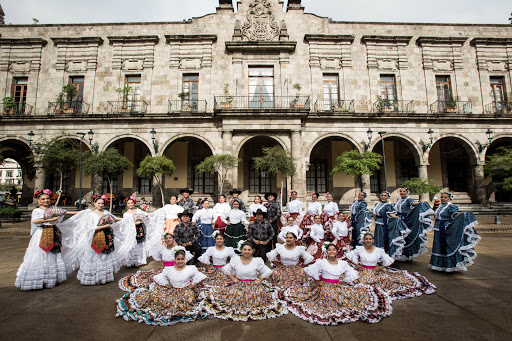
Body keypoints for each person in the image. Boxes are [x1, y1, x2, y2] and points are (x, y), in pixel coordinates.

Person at [279, 243, 392, 325]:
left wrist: (344, 281)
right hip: (324, 286)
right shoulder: (321, 262)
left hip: (337, 286)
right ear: (326, 252)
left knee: (351, 297)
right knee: (328, 294)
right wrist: (318, 282)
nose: (332, 252)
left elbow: (351, 274)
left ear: (337, 252)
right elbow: (310, 271)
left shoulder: (342, 263)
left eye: (334, 250)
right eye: (329, 250)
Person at [116, 249, 208, 326]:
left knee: (185, 302)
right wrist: (166, 284)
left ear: (185, 259)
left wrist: (192, 285)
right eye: (178, 259)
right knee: (161, 300)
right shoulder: (169, 269)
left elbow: (200, 276)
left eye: (182, 259)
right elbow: (159, 277)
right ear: (175, 260)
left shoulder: (190, 268)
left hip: (185, 291)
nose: (180, 261)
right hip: (172, 290)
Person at [202, 241, 287, 321]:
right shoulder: (236, 260)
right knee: (234, 294)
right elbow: (226, 269)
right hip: (239, 284)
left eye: (249, 250)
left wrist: (259, 280)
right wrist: (233, 278)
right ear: (241, 250)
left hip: (253, 285)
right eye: (245, 249)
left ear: (252, 251)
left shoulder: (257, 261)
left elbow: (267, 271)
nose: (247, 251)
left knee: (256, 295)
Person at [14, 189, 82, 290]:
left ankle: (51, 278)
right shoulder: (37, 210)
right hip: (41, 233)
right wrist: (50, 220)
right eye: (43, 199)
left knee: (52, 255)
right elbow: (35, 221)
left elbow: (65, 212)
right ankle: (37, 279)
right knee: (39, 255)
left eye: (47, 199)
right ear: (39, 200)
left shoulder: (53, 208)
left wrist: (81, 213)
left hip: (52, 233)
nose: (46, 200)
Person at [347, 232, 436, 300]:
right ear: (364, 240)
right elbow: (350, 256)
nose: (368, 240)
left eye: (370, 239)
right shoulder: (360, 249)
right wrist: (357, 265)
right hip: (363, 270)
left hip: (374, 271)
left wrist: (381, 267)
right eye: (366, 239)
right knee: (355, 282)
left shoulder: (378, 250)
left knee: (385, 280)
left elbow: (389, 260)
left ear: (373, 240)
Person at [75, 195, 136, 285]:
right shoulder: (91, 215)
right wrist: (104, 226)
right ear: (94, 204)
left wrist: (128, 219)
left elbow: (114, 218)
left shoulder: (106, 212)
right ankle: (94, 278)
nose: (100, 205)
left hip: (107, 236)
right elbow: (90, 229)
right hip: (97, 237)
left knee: (105, 257)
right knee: (96, 257)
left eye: (102, 203)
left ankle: (104, 277)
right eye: (98, 203)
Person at [118, 233, 192, 292]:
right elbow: (156, 256)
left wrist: (179, 266)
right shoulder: (162, 248)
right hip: (165, 268)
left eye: (170, 238)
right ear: (164, 240)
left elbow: (186, 257)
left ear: (173, 239)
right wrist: (161, 264)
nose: (168, 240)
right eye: (166, 238)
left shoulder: (178, 248)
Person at [429, 192, 481, 272]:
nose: (443, 199)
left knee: (447, 246)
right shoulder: (439, 207)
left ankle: (450, 265)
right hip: (438, 228)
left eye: (445, 197)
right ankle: (439, 265)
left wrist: (461, 216)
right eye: (442, 197)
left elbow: (454, 215)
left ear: (449, 199)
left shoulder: (451, 207)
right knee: (438, 246)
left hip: (446, 228)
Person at [394, 187, 435, 261]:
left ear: (407, 192)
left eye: (404, 191)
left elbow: (413, 203)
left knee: (405, 236)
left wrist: (421, 203)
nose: (402, 192)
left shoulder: (408, 199)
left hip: (404, 219)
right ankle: (399, 253)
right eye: (401, 191)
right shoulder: (398, 200)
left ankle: (406, 255)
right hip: (397, 219)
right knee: (398, 236)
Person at [123, 196, 162, 267]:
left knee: (139, 245)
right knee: (132, 246)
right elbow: (126, 224)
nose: (130, 204)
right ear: (127, 204)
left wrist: (156, 213)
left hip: (139, 229)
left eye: (132, 203)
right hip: (131, 230)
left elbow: (146, 215)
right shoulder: (126, 214)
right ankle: (131, 262)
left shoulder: (138, 210)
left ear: (134, 203)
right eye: (129, 203)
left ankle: (138, 261)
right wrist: (134, 223)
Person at [372, 191, 410, 259]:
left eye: (385, 196)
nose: (383, 197)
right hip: (378, 223)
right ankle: (377, 254)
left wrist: (397, 217)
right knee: (377, 238)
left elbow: (390, 214)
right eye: (382, 195)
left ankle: (384, 255)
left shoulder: (387, 205)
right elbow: (374, 214)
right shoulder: (377, 204)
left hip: (383, 224)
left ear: (388, 197)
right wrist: (376, 220)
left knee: (382, 238)